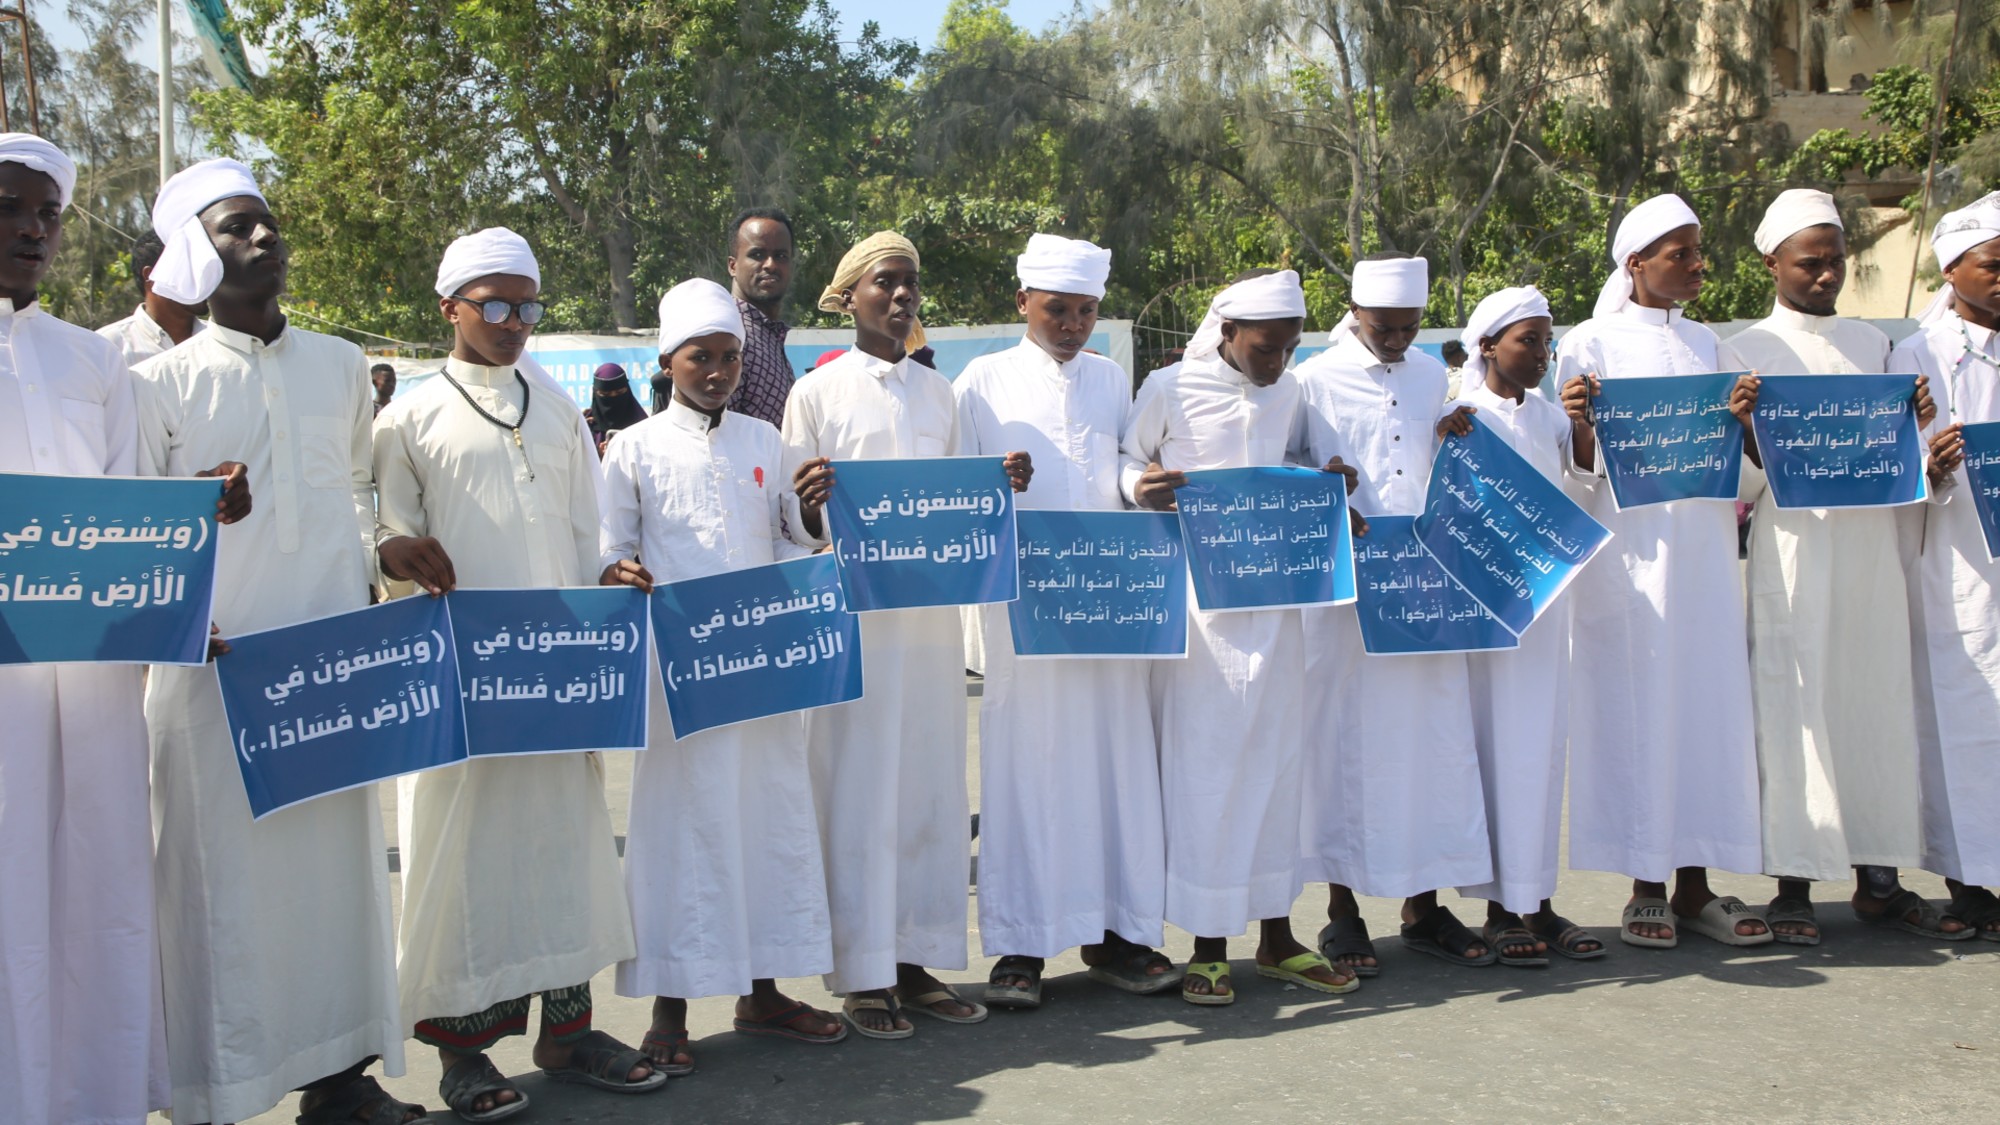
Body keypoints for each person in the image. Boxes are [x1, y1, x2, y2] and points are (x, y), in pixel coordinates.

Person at [132, 158, 417, 1125]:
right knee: (218, 889)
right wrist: (187, 522)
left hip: (326, 670)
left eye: (268, 224)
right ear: (193, 253)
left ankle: (339, 1080)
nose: (264, 238)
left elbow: (355, 500)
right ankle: (216, 1092)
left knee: (335, 878)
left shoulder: (341, 365)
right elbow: (135, 537)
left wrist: (383, 554)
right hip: (215, 679)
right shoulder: (156, 385)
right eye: (235, 228)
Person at [375, 227, 662, 1119]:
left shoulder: (558, 410)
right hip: (464, 685)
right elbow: (384, 540)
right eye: (495, 304)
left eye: (528, 306)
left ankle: (568, 1034)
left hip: (559, 675)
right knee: (465, 861)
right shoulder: (409, 418)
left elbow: (586, 533)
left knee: (564, 850)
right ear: (450, 307)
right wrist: (392, 553)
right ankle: (461, 1055)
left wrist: (608, 577)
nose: (514, 322)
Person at [0, 134, 232, 1125]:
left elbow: (126, 519)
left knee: (96, 892)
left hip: (93, 688)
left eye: (48, 214)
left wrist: (185, 555)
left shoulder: (93, 359)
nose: (33, 229)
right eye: (12, 207)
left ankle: (89, 1101)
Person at [781, 230, 1030, 1038]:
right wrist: (810, 505)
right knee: (857, 794)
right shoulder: (816, 394)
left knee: (927, 790)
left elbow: (958, 505)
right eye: (884, 282)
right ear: (848, 296)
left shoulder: (939, 395)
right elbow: (789, 524)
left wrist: (998, 485)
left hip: (927, 634)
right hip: (854, 631)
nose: (900, 296)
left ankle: (917, 962)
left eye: (909, 284)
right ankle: (862, 972)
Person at [600, 278, 844, 1070]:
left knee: (765, 819)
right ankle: (669, 1009)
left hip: (762, 668)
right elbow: (610, 546)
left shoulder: (764, 441)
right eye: (700, 357)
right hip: (680, 678)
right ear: (667, 362)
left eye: (730, 358)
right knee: (682, 831)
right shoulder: (634, 447)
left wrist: (812, 510)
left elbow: (793, 542)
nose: (716, 372)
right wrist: (616, 569)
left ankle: (763, 994)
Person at [1729, 189, 1958, 945]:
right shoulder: (1746, 351)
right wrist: (1747, 429)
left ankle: (1879, 881)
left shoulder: (1874, 345)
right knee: (1795, 704)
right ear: (1773, 263)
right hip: (1795, 551)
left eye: (1836, 260)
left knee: (1873, 700)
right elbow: (1744, 485)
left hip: (1871, 552)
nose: (1827, 274)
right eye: (1811, 262)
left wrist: (1918, 431)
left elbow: (1894, 461)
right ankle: (1794, 883)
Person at [956, 234, 1177, 1010]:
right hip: (1027, 607)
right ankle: (1021, 945)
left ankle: (1118, 935)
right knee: (1029, 766)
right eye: (1058, 309)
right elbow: (959, 486)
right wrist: (993, 481)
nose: (1074, 324)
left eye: (1086, 311)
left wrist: (1140, 485)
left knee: (1116, 765)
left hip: (1111, 599)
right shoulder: (981, 382)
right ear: (1023, 301)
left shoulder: (1111, 377)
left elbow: (1120, 461)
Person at [1122, 269, 1353, 1004]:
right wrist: (1139, 487)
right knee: (1208, 773)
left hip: (1278, 606)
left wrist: (1331, 483)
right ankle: (1210, 944)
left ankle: (1279, 938)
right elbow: (1128, 460)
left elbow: (1308, 464)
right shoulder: (1169, 387)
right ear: (1227, 333)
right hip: (1200, 618)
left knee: (1278, 768)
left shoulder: (1293, 392)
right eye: (1264, 347)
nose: (1276, 361)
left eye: (1288, 348)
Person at [1554, 193, 1771, 949]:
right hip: (1632, 563)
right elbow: (1575, 466)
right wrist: (1580, 421)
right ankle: (1645, 886)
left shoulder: (1713, 345)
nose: (1698, 266)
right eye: (1681, 254)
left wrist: (1745, 416)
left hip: (1705, 558)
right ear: (1635, 264)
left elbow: (1751, 461)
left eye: (1698, 252)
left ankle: (1696, 887)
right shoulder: (1589, 343)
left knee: (1705, 709)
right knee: (1640, 710)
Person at [1292, 255, 1498, 973]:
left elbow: (1427, 462)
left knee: (1430, 744)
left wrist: (1452, 431)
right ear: (1355, 312)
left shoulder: (1429, 375)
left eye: (1410, 328)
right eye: (1385, 327)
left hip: (1426, 584)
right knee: (1345, 746)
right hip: (1348, 591)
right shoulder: (1313, 379)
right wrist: (1321, 484)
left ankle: (1424, 906)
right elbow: (1287, 463)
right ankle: (1342, 912)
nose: (1398, 340)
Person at [1450, 286, 1602, 961]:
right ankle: (1498, 907)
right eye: (1528, 340)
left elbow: (1584, 478)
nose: (1542, 354)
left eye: (1547, 341)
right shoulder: (1459, 416)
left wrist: (1586, 424)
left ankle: (1535, 901)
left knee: (1538, 752)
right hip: (1484, 616)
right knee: (1493, 752)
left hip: (1543, 611)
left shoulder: (1548, 417)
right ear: (1487, 346)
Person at [1892, 190, 2000, 940]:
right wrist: (1929, 465)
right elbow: (1891, 465)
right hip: (1958, 565)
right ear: (1952, 269)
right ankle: (1970, 881)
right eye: (1994, 265)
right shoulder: (1918, 355)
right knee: (1965, 722)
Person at [726, 206, 798, 426]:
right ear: (733, 266)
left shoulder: (768, 334)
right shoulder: (728, 332)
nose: (770, 265)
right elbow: (713, 433)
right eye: (757, 255)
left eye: (781, 256)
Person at [98, 227, 205, 366]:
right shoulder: (107, 347)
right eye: (188, 270)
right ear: (150, 275)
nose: (204, 279)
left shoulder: (222, 340)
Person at [585, 361, 646, 452]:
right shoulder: (585, 425)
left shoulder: (642, 425)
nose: (613, 398)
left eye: (620, 393)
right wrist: (598, 454)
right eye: (605, 394)